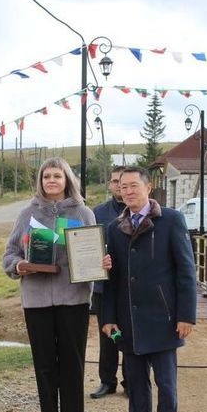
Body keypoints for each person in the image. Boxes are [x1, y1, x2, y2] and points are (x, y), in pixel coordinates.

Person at [2, 157, 99, 412]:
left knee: (72, 368)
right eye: (47, 177)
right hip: (37, 302)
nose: (52, 181)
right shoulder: (26, 214)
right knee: (45, 370)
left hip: (73, 301)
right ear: (41, 181)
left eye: (57, 176)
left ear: (67, 179)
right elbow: (9, 254)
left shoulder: (83, 213)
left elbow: (95, 254)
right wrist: (19, 265)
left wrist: (99, 263)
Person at [102, 166, 196, 412]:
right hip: (128, 322)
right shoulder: (115, 228)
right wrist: (108, 317)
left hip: (165, 318)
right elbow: (112, 280)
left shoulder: (170, 220)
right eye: (122, 187)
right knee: (136, 383)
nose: (127, 191)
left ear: (148, 187)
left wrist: (186, 315)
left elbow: (186, 271)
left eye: (133, 186)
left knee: (166, 385)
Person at [90, 166, 127, 399]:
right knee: (108, 336)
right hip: (104, 286)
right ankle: (107, 380)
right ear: (110, 185)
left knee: (131, 337)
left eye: (123, 182)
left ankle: (132, 381)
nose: (119, 186)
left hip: (132, 287)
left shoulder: (142, 211)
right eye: (115, 181)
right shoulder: (97, 213)